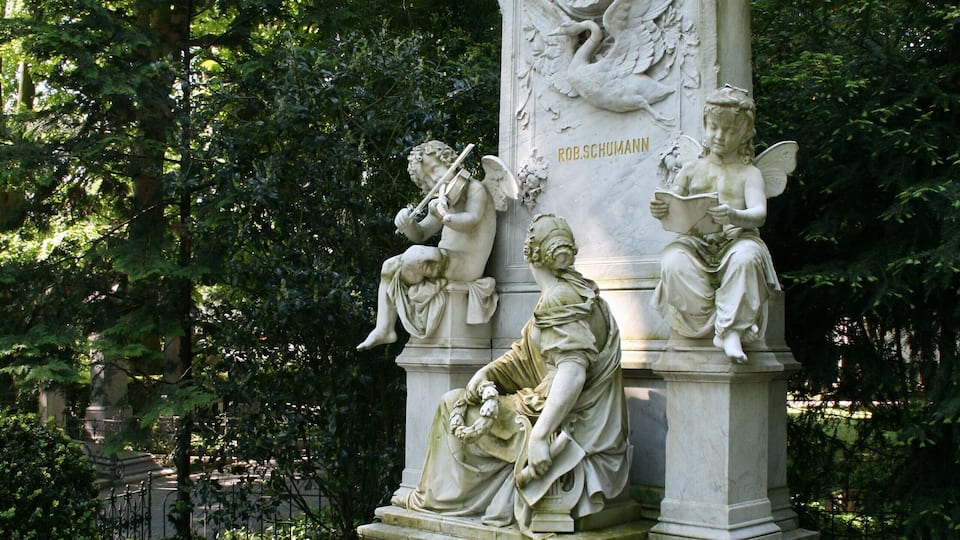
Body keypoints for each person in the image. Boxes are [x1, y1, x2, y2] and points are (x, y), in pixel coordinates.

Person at [396, 213, 630, 532]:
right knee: (459, 400)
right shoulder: (579, 293)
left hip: (560, 420)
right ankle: (446, 499)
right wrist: (487, 375)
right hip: (554, 407)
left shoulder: (561, 299)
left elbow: (572, 372)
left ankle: (442, 500)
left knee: (450, 405)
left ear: (529, 254)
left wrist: (539, 436)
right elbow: (525, 358)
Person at [649, 85, 781, 363]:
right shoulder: (691, 169)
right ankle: (703, 322)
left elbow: (759, 213)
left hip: (736, 240)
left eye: (730, 131)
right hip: (695, 242)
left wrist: (734, 216)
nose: (720, 136)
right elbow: (673, 200)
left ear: (744, 134)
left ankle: (729, 329)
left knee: (747, 258)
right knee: (672, 262)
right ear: (705, 127)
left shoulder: (749, 173)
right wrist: (661, 208)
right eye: (713, 128)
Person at [357, 141, 497, 351]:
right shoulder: (445, 199)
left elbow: (471, 221)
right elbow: (421, 234)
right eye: (428, 180)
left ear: (448, 160)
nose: (434, 180)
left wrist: (446, 217)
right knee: (389, 265)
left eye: (434, 170)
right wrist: (408, 225)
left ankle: (405, 284)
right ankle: (384, 328)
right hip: (447, 259)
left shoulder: (475, 189)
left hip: (467, 264)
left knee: (413, 257)